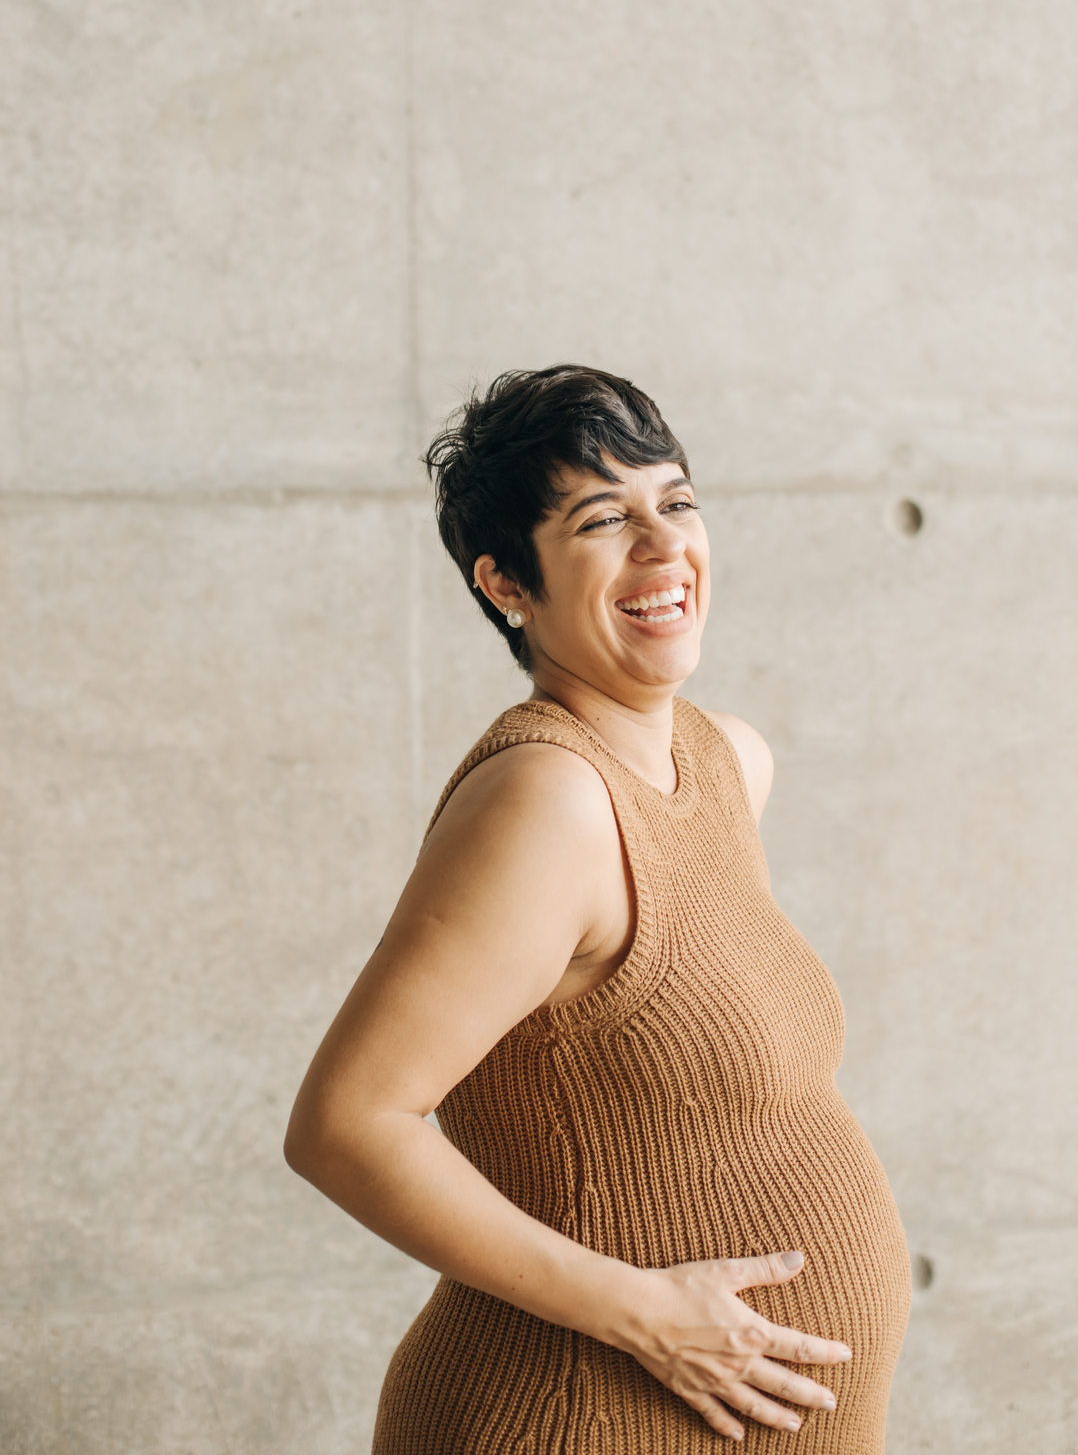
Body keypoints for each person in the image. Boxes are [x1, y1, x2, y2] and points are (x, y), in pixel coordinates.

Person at [284, 365, 910, 1452]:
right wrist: (646, 1314)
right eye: (604, 520)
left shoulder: (725, 763)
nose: (663, 547)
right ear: (506, 584)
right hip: (579, 1414)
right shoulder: (548, 802)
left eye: (677, 501)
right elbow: (345, 1126)